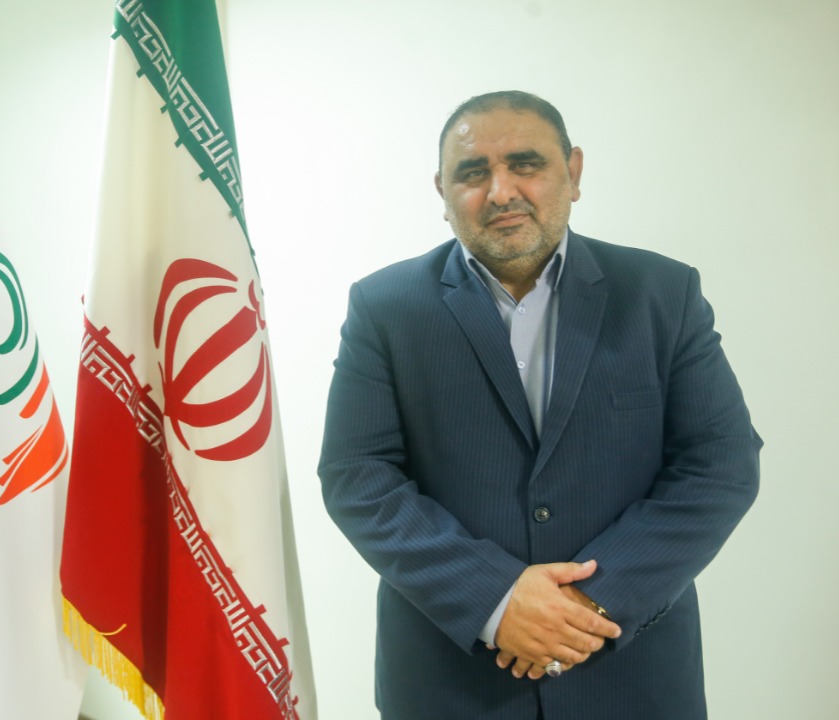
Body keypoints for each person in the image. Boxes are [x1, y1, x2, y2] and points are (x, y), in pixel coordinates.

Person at [318, 90, 762, 719]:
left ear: (573, 173)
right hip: (453, 685)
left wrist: (587, 604)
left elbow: (721, 464)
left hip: (628, 677)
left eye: (526, 164)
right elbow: (357, 477)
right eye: (473, 172)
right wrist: (496, 600)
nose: (501, 191)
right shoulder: (384, 307)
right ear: (442, 191)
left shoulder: (663, 294)